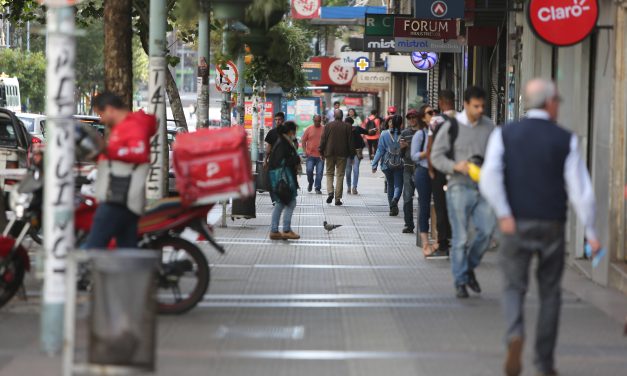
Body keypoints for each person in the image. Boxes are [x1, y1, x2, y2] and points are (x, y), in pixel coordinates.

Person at [479, 79, 601, 376]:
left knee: (512, 286)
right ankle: (544, 362)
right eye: (558, 99)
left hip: (515, 224)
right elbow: (580, 190)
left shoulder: (504, 134)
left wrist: (504, 213)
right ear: (549, 102)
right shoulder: (566, 139)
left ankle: (515, 335)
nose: (559, 104)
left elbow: (488, 177)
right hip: (552, 225)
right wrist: (591, 232)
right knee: (550, 293)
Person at [430, 86, 496, 299]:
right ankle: (460, 281)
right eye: (475, 106)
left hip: (483, 186)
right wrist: (455, 166)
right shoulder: (451, 126)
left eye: (483, 106)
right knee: (459, 238)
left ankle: (467, 269)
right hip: (458, 185)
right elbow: (436, 157)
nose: (480, 110)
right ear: (466, 104)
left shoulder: (489, 127)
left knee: (486, 232)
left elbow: (498, 155)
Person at [85, 92, 157, 248]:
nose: (101, 120)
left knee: (92, 247)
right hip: (123, 196)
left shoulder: (133, 126)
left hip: (119, 196)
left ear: (110, 109)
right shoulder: (122, 127)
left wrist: (107, 151)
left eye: (101, 114)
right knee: (126, 251)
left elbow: (139, 153)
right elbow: (119, 158)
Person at [427, 89, 456, 257]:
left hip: (439, 168)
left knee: (440, 205)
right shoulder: (462, 119)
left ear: (440, 102)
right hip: (458, 168)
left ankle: (443, 242)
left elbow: (430, 146)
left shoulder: (436, 120)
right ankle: (457, 238)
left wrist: (431, 169)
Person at [409, 106, 437, 257]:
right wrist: (426, 153)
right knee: (424, 205)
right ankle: (425, 241)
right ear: (423, 117)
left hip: (438, 171)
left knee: (440, 205)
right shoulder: (421, 134)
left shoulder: (439, 132)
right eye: (430, 113)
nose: (434, 115)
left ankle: (439, 239)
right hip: (423, 171)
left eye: (435, 112)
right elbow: (413, 155)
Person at [268, 121, 301, 240]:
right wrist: (296, 160)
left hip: (280, 178)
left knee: (280, 203)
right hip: (284, 179)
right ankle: (286, 230)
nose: (295, 134)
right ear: (290, 132)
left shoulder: (283, 141)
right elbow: (282, 162)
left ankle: (275, 230)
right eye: (294, 132)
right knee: (290, 202)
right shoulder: (283, 143)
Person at [319, 109, 353, 206]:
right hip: (342, 154)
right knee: (340, 175)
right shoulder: (347, 126)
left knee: (329, 173)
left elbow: (323, 139)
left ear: (334, 116)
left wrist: (321, 151)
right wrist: (352, 155)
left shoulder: (328, 126)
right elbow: (350, 141)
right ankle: (337, 199)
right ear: (342, 116)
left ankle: (330, 192)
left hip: (329, 153)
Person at [372, 114, 404, 216]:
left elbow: (380, 150)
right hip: (400, 164)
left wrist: (374, 164)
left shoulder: (384, 134)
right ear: (401, 124)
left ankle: (392, 208)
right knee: (398, 185)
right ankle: (395, 200)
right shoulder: (403, 134)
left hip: (387, 164)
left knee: (390, 185)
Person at [399, 108, 420, 234]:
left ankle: (423, 225)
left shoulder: (424, 132)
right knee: (407, 197)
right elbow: (401, 154)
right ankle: (409, 224)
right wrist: (402, 148)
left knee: (423, 198)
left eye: (414, 117)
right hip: (407, 167)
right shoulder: (405, 133)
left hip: (420, 168)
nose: (411, 120)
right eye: (409, 118)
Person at [300, 115, 324, 194]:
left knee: (319, 173)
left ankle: (317, 187)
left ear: (320, 120)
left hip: (320, 156)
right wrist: (304, 151)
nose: (317, 122)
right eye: (315, 121)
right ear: (313, 120)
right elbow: (303, 140)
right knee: (309, 170)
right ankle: (310, 182)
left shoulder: (324, 129)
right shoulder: (309, 129)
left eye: (318, 121)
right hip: (310, 155)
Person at [345, 117, 368, 195]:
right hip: (347, 154)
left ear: (351, 124)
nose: (347, 125)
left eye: (348, 124)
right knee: (348, 171)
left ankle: (354, 187)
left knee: (356, 169)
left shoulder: (357, 129)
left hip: (356, 153)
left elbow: (366, 132)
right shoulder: (343, 131)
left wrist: (371, 132)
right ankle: (348, 186)